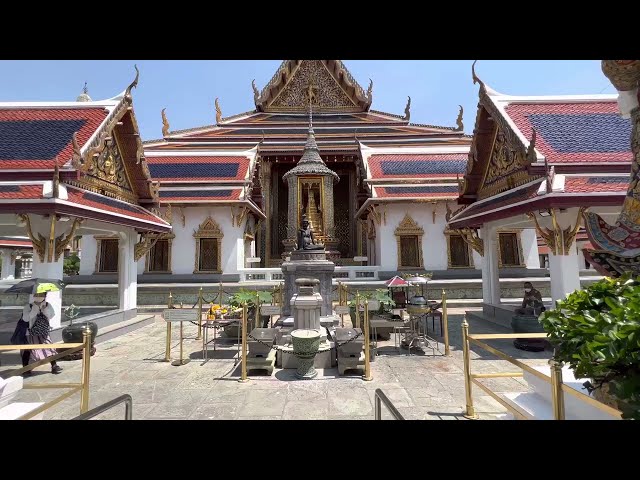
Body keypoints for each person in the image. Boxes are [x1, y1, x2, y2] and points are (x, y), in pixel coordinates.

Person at [21, 292, 63, 376]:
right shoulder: (28, 306)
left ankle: (54, 365)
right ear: (33, 296)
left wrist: (44, 310)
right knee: (28, 349)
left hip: (44, 331)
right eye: (37, 295)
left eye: (41, 295)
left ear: (45, 296)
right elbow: (25, 319)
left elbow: (51, 316)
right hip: (31, 332)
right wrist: (34, 310)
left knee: (49, 346)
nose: (39, 297)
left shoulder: (47, 305)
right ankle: (25, 368)